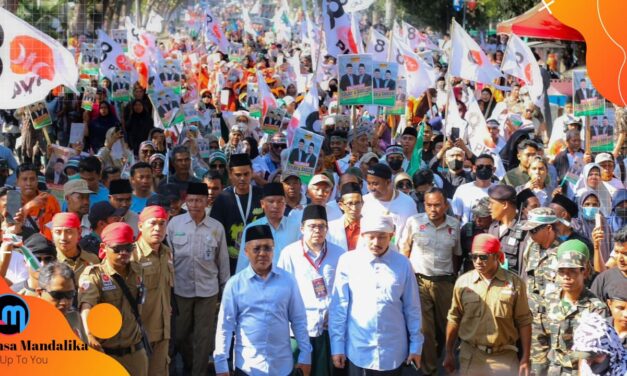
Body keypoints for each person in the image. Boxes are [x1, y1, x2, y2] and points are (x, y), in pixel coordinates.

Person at [214, 224, 312, 376]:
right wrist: (221, 363)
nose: (262, 253)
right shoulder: (235, 284)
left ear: (273, 250)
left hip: (282, 367)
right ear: (246, 252)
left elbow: (299, 320)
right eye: (256, 248)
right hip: (248, 367)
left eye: (267, 248)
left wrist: (306, 355)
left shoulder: (288, 280)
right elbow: (225, 327)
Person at [330, 214, 423, 374]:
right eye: (371, 237)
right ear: (363, 236)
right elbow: (339, 307)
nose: (376, 242)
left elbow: (412, 307)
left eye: (382, 237)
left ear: (391, 236)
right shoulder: (348, 261)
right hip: (358, 349)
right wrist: (337, 346)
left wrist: (416, 346)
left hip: (393, 351)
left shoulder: (402, 264)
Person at [443, 234, 532, 375]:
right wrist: (449, 353)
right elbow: (454, 318)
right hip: (471, 355)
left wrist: (525, 358)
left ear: (497, 256)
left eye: (483, 257)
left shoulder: (515, 283)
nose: (478, 261)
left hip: (504, 357)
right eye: (474, 256)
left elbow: (524, 321)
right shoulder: (463, 282)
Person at [167, 182, 230, 375]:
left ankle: (199, 372)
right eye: (192, 200)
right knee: (179, 335)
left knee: (203, 338)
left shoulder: (216, 227)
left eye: (199, 200)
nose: (195, 204)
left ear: (206, 202)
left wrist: (224, 289)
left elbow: (223, 260)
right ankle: (187, 365)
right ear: (186, 201)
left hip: (208, 291)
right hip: (181, 290)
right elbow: (168, 258)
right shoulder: (174, 224)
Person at [398, 187, 460, 376]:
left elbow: (456, 256)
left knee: (445, 328)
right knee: (426, 331)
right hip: (420, 282)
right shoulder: (414, 222)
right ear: (424, 205)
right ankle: (429, 371)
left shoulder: (454, 225)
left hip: (445, 283)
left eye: (437, 205)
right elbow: (404, 251)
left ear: (445, 205)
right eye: (429, 205)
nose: (433, 209)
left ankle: (442, 356)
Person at [278, 205, 345, 376]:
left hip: (327, 329)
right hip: (298, 329)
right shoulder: (290, 253)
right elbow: (281, 292)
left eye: (321, 226)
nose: (317, 230)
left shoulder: (339, 255)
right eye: (312, 226)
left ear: (327, 229)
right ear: (302, 228)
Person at [78, 222, 148, 375]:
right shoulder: (94, 275)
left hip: (135, 352)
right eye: (117, 249)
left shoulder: (138, 271)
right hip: (106, 353)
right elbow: (86, 305)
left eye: (128, 248)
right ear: (104, 248)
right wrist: (89, 334)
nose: (123, 253)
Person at [534, 240, 609, 375]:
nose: (566, 277)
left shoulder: (596, 308)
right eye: (561, 271)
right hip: (552, 370)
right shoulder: (549, 300)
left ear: (584, 272)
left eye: (572, 271)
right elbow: (539, 342)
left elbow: (596, 353)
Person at [132, 206, 173, 376]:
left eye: (162, 224)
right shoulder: (132, 255)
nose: (158, 228)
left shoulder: (166, 253)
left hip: (163, 330)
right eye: (153, 223)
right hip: (139, 334)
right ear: (140, 226)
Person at [210, 153, 264, 274]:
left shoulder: (262, 195)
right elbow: (216, 232)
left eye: (246, 174)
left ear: (252, 172)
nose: (242, 178)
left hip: (260, 259)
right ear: (230, 175)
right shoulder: (222, 198)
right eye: (238, 175)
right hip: (231, 262)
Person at [236, 182, 299, 272]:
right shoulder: (252, 228)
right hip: (260, 282)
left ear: (285, 204)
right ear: (262, 204)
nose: (276, 206)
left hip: (288, 282)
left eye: (280, 201)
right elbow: (243, 261)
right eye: (271, 201)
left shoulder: (296, 227)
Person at [362, 163, 417, 245]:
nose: (371, 188)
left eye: (375, 184)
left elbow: (413, 233)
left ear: (388, 182)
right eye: (369, 183)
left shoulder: (407, 203)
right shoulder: (365, 201)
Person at [36, 262, 88, 343]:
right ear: (39, 292)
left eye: (70, 294)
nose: (64, 302)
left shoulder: (74, 317)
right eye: (57, 294)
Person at [487, 185, 528, 274]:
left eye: (492, 203)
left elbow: (524, 267)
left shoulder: (524, 229)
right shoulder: (493, 228)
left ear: (505, 205)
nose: (489, 207)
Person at [571, 311, 627, 376]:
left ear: (612, 354)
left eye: (596, 356)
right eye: (583, 355)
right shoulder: (585, 363)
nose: (588, 362)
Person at [51, 212, 99, 285]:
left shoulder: (92, 260)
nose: (63, 238)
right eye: (58, 232)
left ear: (79, 232)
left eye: (69, 232)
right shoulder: (49, 261)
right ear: (52, 234)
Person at [16, 163, 60, 240]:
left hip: (45, 247)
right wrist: (28, 206)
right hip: (19, 247)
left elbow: (59, 225)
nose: (29, 183)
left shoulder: (49, 199)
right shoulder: (11, 200)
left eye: (32, 179)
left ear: (37, 180)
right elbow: (9, 229)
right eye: (24, 179)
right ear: (17, 182)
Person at [574, 190, 613, 271]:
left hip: (605, 268)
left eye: (595, 205)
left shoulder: (605, 224)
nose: (591, 207)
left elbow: (611, 246)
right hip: (585, 269)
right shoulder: (576, 225)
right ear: (581, 206)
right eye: (587, 204)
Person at [452, 154, 496, 224]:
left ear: (494, 169)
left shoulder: (499, 190)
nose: (484, 169)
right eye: (480, 166)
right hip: (466, 232)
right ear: (474, 169)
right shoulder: (463, 190)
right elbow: (456, 217)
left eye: (488, 167)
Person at [591, 226, 627, 302]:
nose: (620, 259)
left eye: (625, 254)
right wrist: (596, 247)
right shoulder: (603, 280)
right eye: (616, 252)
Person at [460, 197, 492, 272]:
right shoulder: (468, 228)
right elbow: (459, 255)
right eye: (476, 215)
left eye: (482, 216)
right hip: (471, 270)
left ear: (491, 216)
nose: (478, 220)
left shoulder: (498, 230)